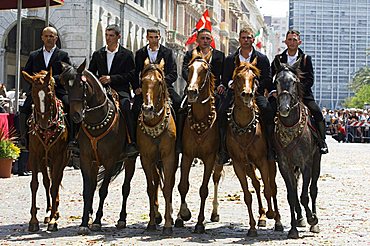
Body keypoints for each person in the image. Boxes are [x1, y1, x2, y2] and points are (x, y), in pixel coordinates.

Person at [20, 26, 74, 175]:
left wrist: (51, 80)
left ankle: (72, 140)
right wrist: (35, 85)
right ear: (42, 38)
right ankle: (24, 139)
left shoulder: (63, 55)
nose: (49, 38)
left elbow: (69, 73)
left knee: (70, 107)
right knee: (23, 110)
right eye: (47, 36)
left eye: (52, 36)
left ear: (56, 38)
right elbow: (28, 72)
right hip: (38, 91)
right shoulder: (34, 55)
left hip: (57, 91)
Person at [271, 29, 328, 154]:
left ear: (299, 42)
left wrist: (297, 91)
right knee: (268, 112)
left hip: (303, 95)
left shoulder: (306, 59)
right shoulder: (278, 59)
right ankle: (270, 146)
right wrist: (273, 91)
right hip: (281, 96)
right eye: (289, 40)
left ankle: (321, 141)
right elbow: (271, 77)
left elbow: (310, 79)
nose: (292, 42)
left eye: (294, 40)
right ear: (285, 41)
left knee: (318, 113)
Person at [223, 26, 276, 161]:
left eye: (248, 37)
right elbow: (225, 77)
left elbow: (268, 78)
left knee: (267, 111)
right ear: (239, 40)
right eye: (243, 38)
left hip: (255, 94)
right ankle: (223, 150)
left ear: (253, 39)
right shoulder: (230, 59)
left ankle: (270, 148)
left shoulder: (262, 59)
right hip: (235, 94)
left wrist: (257, 86)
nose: (246, 40)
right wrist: (231, 84)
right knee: (221, 111)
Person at [88, 24, 139, 156]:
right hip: (101, 91)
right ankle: (77, 139)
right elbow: (91, 73)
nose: (108, 38)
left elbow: (131, 74)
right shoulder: (98, 54)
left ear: (118, 37)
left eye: (111, 36)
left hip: (120, 90)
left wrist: (112, 79)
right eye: (106, 35)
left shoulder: (127, 54)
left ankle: (131, 142)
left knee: (126, 108)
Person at [179, 28, 226, 159]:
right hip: (193, 90)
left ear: (211, 40)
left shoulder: (219, 55)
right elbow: (184, 70)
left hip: (213, 92)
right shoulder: (190, 54)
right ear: (197, 40)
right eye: (202, 38)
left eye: (208, 39)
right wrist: (192, 82)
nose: (205, 41)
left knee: (223, 112)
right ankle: (179, 143)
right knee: (180, 108)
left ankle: (222, 147)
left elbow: (223, 74)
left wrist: (221, 85)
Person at [133, 28, 181, 137]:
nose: (153, 40)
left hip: (164, 88)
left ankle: (178, 139)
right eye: (151, 37)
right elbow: (135, 73)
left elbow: (173, 73)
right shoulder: (140, 53)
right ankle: (133, 141)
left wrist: (162, 84)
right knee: (135, 108)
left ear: (159, 37)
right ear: (147, 38)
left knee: (178, 103)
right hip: (145, 89)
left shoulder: (167, 53)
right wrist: (137, 87)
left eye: (156, 37)